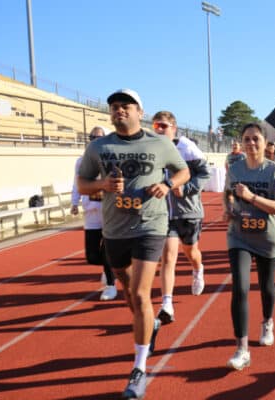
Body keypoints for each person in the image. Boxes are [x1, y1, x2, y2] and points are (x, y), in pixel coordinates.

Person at [77, 89, 191, 400]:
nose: (119, 111)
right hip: (114, 230)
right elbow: (82, 183)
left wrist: (167, 184)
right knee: (128, 291)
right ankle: (150, 323)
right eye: (114, 107)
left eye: (125, 106)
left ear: (140, 112)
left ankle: (139, 367)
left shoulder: (159, 143)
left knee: (141, 292)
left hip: (150, 227)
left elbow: (184, 171)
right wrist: (101, 185)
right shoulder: (99, 147)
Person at [222, 122, 275, 370]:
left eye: (256, 139)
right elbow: (228, 193)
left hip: (267, 237)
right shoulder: (235, 168)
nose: (251, 144)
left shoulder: (274, 172)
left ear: (264, 143)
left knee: (266, 287)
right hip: (238, 235)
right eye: (247, 139)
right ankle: (242, 349)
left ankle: (267, 321)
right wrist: (228, 208)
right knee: (240, 287)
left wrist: (251, 197)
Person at [152, 111, 211, 326]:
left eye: (164, 126)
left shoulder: (186, 148)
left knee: (191, 252)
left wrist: (186, 188)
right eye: (156, 126)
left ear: (173, 128)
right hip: (164, 214)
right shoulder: (152, 149)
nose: (159, 129)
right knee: (168, 257)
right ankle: (166, 304)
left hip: (188, 211)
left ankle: (198, 269)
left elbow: (205, 174)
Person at [70, 126, 117, 301]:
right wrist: (74, 202)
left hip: (108, 209)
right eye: (92, 137)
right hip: (90, 210)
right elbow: (76, 183)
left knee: (107, 249)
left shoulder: (111, 159)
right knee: (92, 255)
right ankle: (110, 267)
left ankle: (111, 284)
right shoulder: (81, 161)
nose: (95, 140)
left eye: (99, 137)